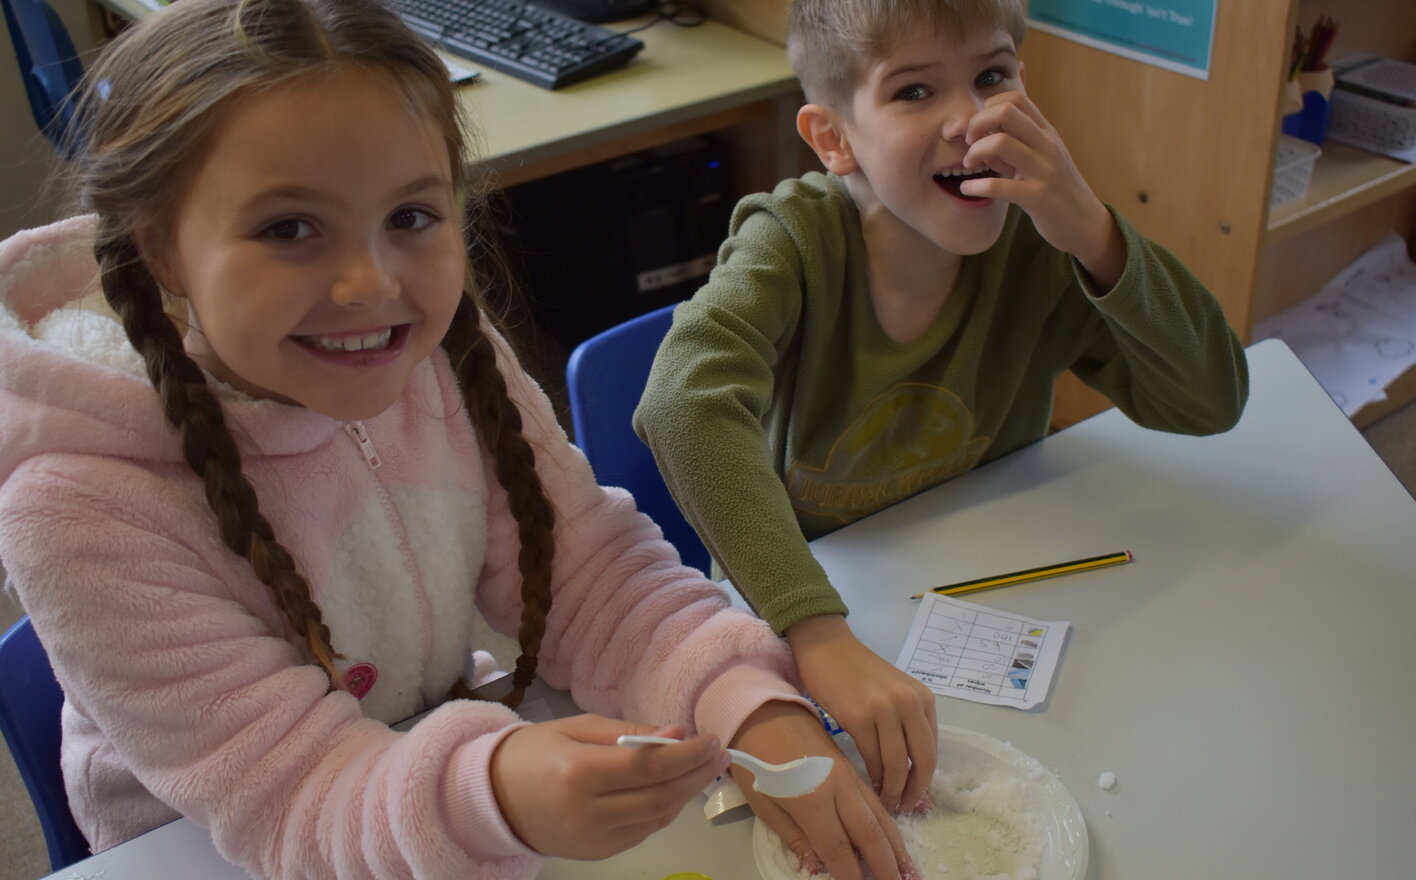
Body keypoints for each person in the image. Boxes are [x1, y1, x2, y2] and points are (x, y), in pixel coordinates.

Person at [0, 1, 916, 878]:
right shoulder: (78, 504)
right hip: (204, 845)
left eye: (410, 217)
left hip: (414, 763)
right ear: (160, 248)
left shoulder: (440, 361)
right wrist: (493, 795)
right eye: (288, 229)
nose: (370, 286)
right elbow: (290, 797)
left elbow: (590, 578)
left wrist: (742, 701)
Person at [635, 0, 1250, 815]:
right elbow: (681, 403)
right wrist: (818, 637)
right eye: (915, 92)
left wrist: (1095, 233)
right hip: (808, 602)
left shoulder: (1040, 244)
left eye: (992, 76)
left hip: (982, 595)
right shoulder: (794, 243)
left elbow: (1212, 400)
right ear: (834, 139)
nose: (970, 119)